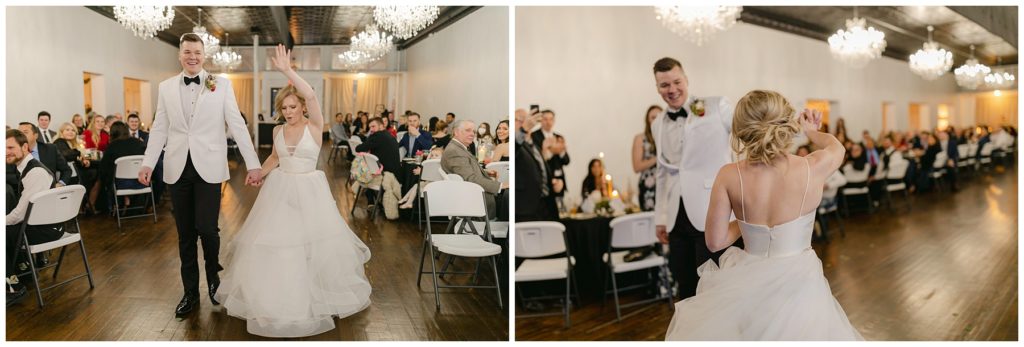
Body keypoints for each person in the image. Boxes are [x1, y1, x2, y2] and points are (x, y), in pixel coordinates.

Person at [665, 90, 861, 340]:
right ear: (786, 123)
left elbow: (714, 242)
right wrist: (811, 131)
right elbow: (838, 147)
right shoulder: (812, 167)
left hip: (748, 280)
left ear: (741, 129)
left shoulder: (728, 175)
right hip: (799, 280)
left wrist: (748, 225)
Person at [214, 45, 371, 337]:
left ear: (302, 108)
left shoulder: (315, 126)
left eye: (293, 107)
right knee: (281, 244)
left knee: (313, 245)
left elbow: (310, 94)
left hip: (310, 190)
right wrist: (259, 172)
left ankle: (314, 293)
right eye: (284, 108)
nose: (288, 112)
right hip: (281, 189)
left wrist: (287, 71)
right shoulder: (277, 132)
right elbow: (275, 158)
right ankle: (280, 294)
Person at [136, 33, 262, 317]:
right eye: (187, 52)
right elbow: (159, 128)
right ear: (179, 55)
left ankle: (214, 279)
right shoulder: (166, 87)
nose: (192, 57)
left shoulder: (222, 85)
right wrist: (147, 162)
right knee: (185, 235)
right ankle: (190, 293)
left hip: (209, 166)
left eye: (197, 52)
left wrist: (253, 163)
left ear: (204, 56)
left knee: (207, 228)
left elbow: (237, 126)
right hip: (177, 167)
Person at [649, 57, 737, 300]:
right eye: (664, 85)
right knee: (684, 281)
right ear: (657, 88)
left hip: (712, 207)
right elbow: (662, 172)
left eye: (677, 82)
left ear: (686, 80)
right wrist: (660, 218)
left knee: (715, 282)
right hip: (677, 217)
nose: (672, 89)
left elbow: (746, 135)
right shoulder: (657, 123)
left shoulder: (716, 106)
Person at [6, 129, 66, 307]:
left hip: (48, 230)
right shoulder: (25, 167)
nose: (5, 152)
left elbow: (20, 214)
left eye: (10, 147)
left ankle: (12, 287)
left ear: (25, 147)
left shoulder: (35, 173)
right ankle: (24, 271)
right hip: (43, 225)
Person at [441, 120, 508, 220]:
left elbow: (465, 171)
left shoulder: (459, 148)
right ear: (456, 132)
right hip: (477, 201)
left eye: (473, 131)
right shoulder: (455, 151)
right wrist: (501, 185)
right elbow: (471, 179)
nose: (472, 134)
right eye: (468, 130)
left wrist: (484, 172)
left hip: (474, 195)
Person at [514, 109, 562, 222]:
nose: (521, 123)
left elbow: (539, 171)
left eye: (524, 120)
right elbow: (515, 146)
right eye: (518, 120)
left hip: (546, 204)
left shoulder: (534, 144)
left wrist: (554, 182)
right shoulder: (517, 145)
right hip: (527, 208)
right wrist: (523, 130)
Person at [99, 121, 147, 209]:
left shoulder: (112, 146)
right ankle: (128, 199)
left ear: (112, 133)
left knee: (106, 175)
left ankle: (114, 204)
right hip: (142, 182)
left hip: (120, 185)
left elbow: (103, 169)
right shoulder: (139, 143)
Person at [531, 110, 570, 202]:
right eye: (545, 119)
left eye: (551, 119)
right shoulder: (534, 136)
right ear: (541, 120)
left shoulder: (559, 137)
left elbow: (566, 161)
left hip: (559, 179)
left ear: (554, 121)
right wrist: (550, 151)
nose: (548, 122)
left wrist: (561, 151)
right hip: (543, 181)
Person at [53, 122, 97, 191]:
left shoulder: (71, 143)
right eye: (67, 130)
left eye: (73, 130)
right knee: (95, 172)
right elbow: (67, 155)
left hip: (75, 171)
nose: (70, 132)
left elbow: (79, 156)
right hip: (66, 175)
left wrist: (84, 159)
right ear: (61, 132)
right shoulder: (59, 141)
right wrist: (80, 154)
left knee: (97, 169)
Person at [633, 105, 661, 211]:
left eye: (659, 116)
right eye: (653, 117)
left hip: (668, 184)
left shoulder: (668, 137)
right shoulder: (640, 138)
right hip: (649, 186)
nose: (656, 120)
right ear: (648, 120)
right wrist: (658, 158)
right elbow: (636, 166)